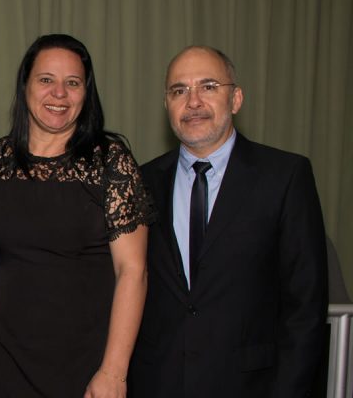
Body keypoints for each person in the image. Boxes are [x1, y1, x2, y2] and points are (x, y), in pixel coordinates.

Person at [0, 34, 154, 398]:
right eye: (46, 79)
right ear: (25, 86)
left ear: (86, 93)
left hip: (85, 363)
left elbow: (133, 272)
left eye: (72, 83)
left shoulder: (111, 163)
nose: (59, 93)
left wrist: (114, 372)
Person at [128, 46, 328, 398]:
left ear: (235, 99)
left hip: (251, 386)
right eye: (179, 90)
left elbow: (305, 307)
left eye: (208, 86)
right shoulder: (140, 181)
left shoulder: (285, 177)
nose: (193, 102)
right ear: (167, 105)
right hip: (159, 383)